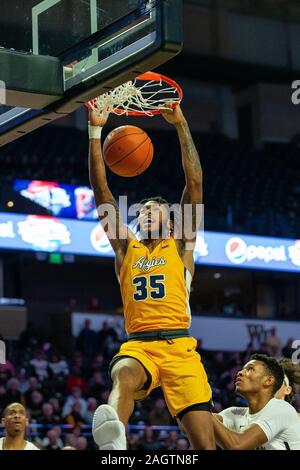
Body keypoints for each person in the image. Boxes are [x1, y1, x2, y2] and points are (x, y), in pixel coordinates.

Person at [88, 104, 214, 450]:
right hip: (140, 344)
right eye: (141, 209)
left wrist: (181, 123)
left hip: (179, 347)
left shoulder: (181, 244)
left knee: (204, 443)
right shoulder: (127, 248)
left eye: (152, 209)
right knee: (122, 373)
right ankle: (114, 443)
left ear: (171, 221)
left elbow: (196, 182)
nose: (143, 212)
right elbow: (102, 194)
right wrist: (95, 131)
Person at [213, 354, 300, 450]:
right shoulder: (236, 413)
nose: (240, 372)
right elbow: (203, 423)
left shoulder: (285, 411)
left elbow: (237, 445)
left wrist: (200, 405)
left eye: (280, 381)